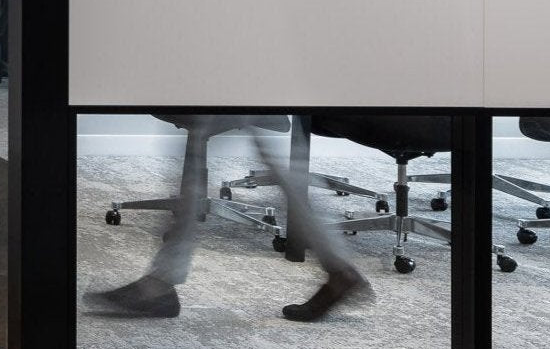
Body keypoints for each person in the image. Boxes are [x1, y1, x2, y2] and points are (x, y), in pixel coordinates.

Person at [84, 115, 370, 322]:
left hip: (239, 71)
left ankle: (160, 283)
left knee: (207, 126)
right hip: (242, 71)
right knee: (261, 151)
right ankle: (338, 270)